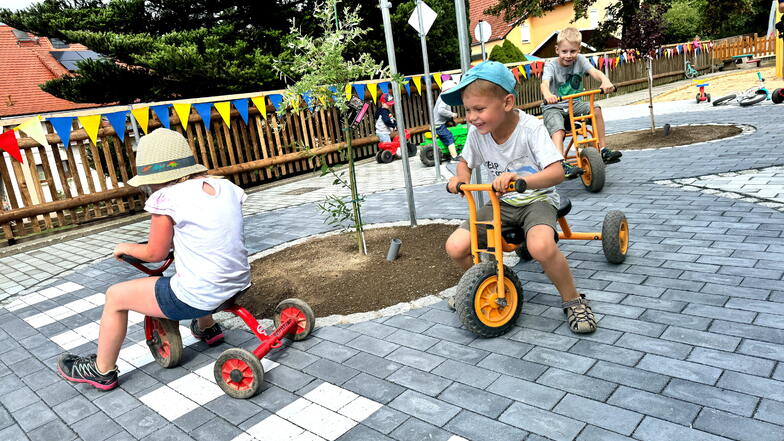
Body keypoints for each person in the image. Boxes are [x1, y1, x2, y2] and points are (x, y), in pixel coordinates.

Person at [57, 128, 251, 390]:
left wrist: (125, 247)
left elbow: (155, 254)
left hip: (200, 295)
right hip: (237, 284)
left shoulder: (167, 197)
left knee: (116, 296)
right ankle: (207, 327)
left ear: (155, 177)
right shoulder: (225, 186)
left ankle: (101, 370)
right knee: (196, 272)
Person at [441, 61, 597, 334]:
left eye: (479, 109)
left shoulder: (530, 129)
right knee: (456, 247)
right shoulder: (478, 134)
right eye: (468, 110)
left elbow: (557, 172)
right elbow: (465, 162)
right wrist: (461, 178)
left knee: (541, 248)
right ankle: (486, 279)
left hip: (537, 199)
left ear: (507, 102)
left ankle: (573, 300)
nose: (472, 117)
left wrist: (519, 180)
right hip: (501, 202)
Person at [540, 26, 622, 180]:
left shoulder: (581, 60)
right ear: (557, 50)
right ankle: (561, 162)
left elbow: (595, 72)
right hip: (554, 106)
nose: (569, 55)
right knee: (558, 129)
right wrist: (548, 94)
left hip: (574, 104)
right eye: (564, 51)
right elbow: (544, 83)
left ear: (579, 50)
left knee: (596, 109)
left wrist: (605, 81)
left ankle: (603, 149)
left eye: (573, 51)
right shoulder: (550, 65)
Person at [433, 80, 460, 160]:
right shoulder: (444, 97)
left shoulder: (443, 96)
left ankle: (451, 150)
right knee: (449, 137)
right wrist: (452, 114)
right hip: (439, 125)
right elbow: (441, 110)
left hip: (442, 123)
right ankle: (454, 156)